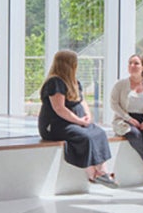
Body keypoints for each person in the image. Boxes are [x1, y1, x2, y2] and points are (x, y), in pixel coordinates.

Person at [38, 50, 117, 187]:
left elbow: (81, 101)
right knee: (85, 137)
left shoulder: (75, 82)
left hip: (76, 121)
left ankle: (102, 172)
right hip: (57, 125)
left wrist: (88, 116)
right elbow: (59, 108)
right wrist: (79, 121)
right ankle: (92, 173)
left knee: (99, 133)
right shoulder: (55, 82)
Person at [111, 54, 143, 184]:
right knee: (134, 134)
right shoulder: (120, 84)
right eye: (130, 63)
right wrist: (128, 118)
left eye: (136, 63)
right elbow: (114, 104)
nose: (132, 66)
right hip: (124, 119)